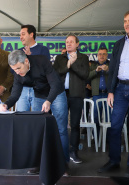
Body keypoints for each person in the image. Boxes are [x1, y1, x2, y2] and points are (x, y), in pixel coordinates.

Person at [0, 50, 69, 174]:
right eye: (14, 69)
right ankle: (39, 164)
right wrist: (6, 104)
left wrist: (49, 101)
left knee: (61, 129)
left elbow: (55, 83)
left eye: (19, 68)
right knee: (38, 130)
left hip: (56, 93)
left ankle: (63, 164)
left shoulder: (41, 61)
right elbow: (15, 94)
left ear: (26, 61)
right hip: (40, 96)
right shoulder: (17, 73)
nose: (17, 72)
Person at [98, 9, 129, 177]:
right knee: (114, 128)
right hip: (120, 90)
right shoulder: (119, 43)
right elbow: (112, 69)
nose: (126, 24)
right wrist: (111, 91)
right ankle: (113, 161)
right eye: (125, 21)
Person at [53, 34, 89, 164]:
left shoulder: (83, 57)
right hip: (61, 95)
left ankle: (73, 152)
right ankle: (60, 151)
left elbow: (85, 74)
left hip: (76, 95)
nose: (68, 44)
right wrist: (68, 63)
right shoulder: (59, 58)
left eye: (71, 42)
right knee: (60, 125)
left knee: (75, 125)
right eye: (67, 41)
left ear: (77, 44)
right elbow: (55, 74)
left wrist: (72, 64)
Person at [16, 24, 50, 112]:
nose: (21, 37)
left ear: (31, 35)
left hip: (38, 90)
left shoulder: (43, 49)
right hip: (23, 89)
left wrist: (30, 57)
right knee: (21, 118)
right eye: (20, 35)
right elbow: (14, 71)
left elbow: (44, 70)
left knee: (38, 119)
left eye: (23, 34)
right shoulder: (19, 51)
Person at [88, 48, 109, 135]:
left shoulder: (110, 64)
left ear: (107, 55)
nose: (102, 56)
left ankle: (108, 138)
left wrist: (108, 70)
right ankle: (96, 137)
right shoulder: (92, 65)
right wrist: (96, 71)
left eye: (104, 54)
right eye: (100, 54)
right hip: (97, 94)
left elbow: (116, 76)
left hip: (108, 94)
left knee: (109, 117)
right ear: (97, 55)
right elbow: (87, 77)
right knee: (96, 116)